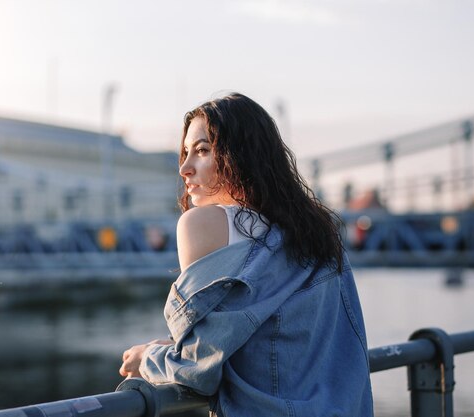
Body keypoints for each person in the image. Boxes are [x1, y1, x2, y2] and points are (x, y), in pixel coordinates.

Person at [119, 92, 373, 416]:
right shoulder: (317, 235)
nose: (184, 168)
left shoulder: (203, 223)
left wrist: (147, 358)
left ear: (239, 155)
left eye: (202, 151)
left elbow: (198, 369)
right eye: (185, 153)